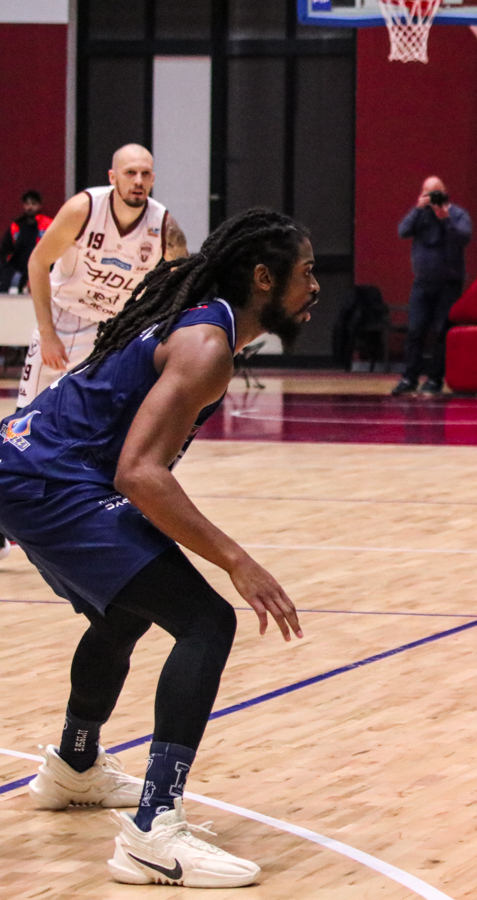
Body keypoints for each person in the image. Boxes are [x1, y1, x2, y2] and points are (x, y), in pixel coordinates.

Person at [4, 209, 316, 888]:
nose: (316, 286)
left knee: (127, 610)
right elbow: (140, 475)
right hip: (52, 480)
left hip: (26, 462)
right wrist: (237, 560)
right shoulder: (206, 346)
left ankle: (75, 765)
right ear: (263, 278)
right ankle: (154, 829)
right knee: (207, 621)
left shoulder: (199, 324)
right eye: (306, 272)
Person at [22, 144, 187, 411]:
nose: (138, 181)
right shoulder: (82, 209)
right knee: (26, 419)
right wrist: (47, 333)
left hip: (115, 331)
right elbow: (38, 263)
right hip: (64, 320)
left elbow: (186, 284)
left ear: (153, 179)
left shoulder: (165, 226)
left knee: (99, 422)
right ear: (112, 177)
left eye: (145, 174)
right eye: (130, 172)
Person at [391, 176, 472, 396]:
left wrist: (445, 219)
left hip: (448, 284)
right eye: (428, 193)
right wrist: (418, 209)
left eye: (436, 193)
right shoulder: (420, 215)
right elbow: (403, 231)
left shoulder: (457, 214)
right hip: (422, 283)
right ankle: (409, 378)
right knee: (415, 330)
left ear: (445, 193)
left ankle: (435, 379)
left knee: (441, 332)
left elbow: (464, 237)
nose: (433, 198)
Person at [1, 190, 52, 293]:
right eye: (27, 204)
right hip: (18, 274)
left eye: (33, 204)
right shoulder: (16, 227)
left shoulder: (48, 225)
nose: (30, 207)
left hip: (43, 273)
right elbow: (3, 251)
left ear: (39, 205)